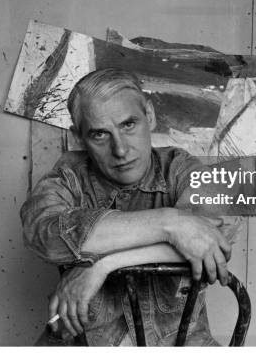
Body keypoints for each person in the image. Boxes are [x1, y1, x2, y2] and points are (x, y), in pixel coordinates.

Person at [20, 68, 240, 346]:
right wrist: (170, 223)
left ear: (149, 115)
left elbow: (217, 236)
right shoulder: (69, 177)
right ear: (78, 137)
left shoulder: (180, 169)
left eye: (128, 125)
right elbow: (42, 234)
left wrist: (102, 266)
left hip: (179, 343)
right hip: (88, 343)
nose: (120, 150)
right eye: (100, 134)